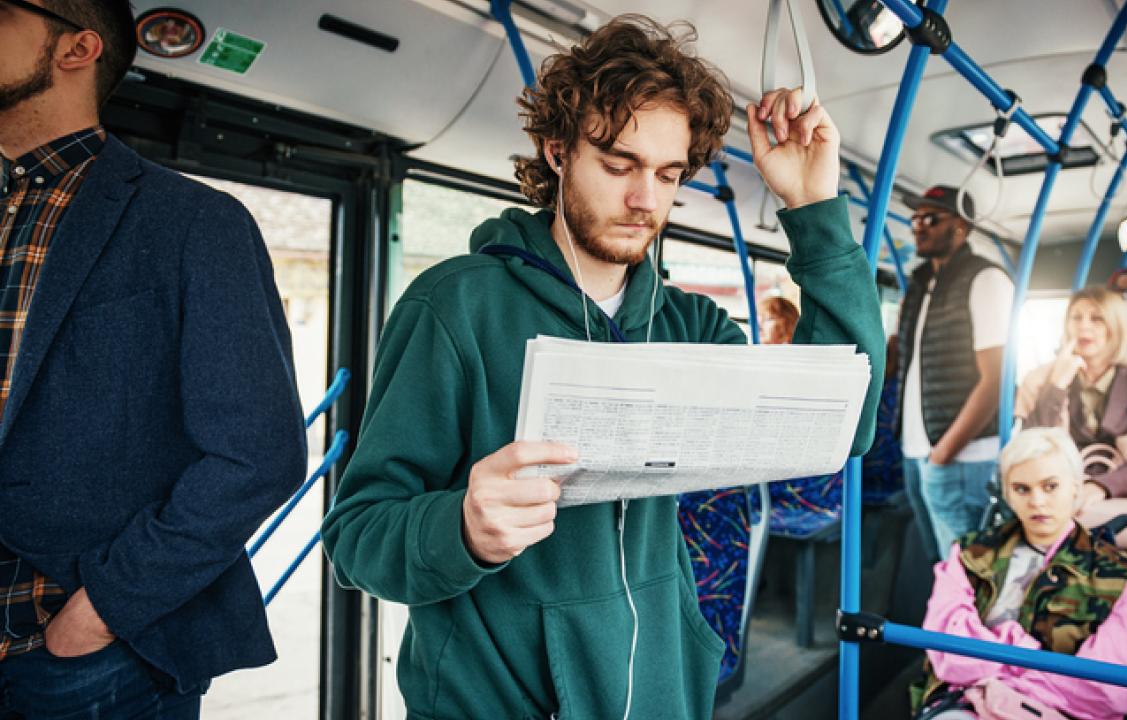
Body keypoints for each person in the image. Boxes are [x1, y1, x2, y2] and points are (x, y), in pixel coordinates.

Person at [320, 15, 885, 719]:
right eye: (619, 165)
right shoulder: (455, 307)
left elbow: (845, 426)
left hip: (657, 691)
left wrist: (815, 209)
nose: (646, 198)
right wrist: (460, 527)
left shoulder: (692, 327)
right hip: (490, 698)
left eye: (668, 175)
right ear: (558, 151)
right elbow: (356, 538)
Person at [0, 1, 306, 717]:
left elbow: (256, 456)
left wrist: (103, 609)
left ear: (76, 49)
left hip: (81, 654)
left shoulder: (195, 223)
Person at [911, 428, 1127, 720]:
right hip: (968, 704)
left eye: (1050, 486)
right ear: (1008, 494)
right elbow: (948, 654)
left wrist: (1005, 671)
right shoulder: (969, 555)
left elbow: (1109, 692)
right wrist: (1032, 662)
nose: (1036, 501)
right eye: (1022, 489)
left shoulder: (1121, 578)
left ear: (1076, 488)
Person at [897, 185, 1013, 560]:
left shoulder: (985, 280)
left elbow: (995, 380)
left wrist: (943, 453)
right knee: (943, 570)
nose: (919, 227)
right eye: (916, 218)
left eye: (931, 218)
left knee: (967, 576)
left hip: (963, 456)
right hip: (916, 449)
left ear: (961, 226)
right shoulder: (920, 284)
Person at [1015, 286, 1127, 546]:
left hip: (1126, 495)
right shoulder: (1042, 379)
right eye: (1076, 318)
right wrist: (1056, 387)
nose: (1083, 327)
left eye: (1097, 318)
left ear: (1118, 326)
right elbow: (1032, 450)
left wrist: (1101, 487)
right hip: (1056, 494)